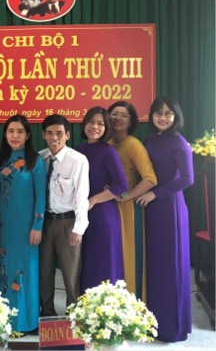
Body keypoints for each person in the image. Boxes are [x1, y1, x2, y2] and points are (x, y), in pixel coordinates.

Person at [136, 97, 193, 342]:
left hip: (170, 208)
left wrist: (155, 194)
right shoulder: (150, 140)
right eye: (158, 113)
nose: (163, 117)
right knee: (155, 265)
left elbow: (187, 179)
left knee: (171, 265)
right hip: (151, 208)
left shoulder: (179, 142)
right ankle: (153, 321)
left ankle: (172, 327)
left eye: (168, 113)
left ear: (176, 116)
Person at [0, 115, 46, 333]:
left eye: (20, 132)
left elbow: (41, 196)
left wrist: (37, 226)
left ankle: (26, 321)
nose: (15, 136)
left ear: (27, 136)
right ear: (5, 135)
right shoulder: (1, 158)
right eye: (11, 131)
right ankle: (5, 319)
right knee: (6, 268)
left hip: (27, 227)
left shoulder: (36, 161)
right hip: (6, 226)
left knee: (26, 271)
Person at [39, 114, 89, 316]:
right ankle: (47, 313)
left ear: (67, 135)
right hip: (44, 222)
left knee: (71, 273)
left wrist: (79, 228)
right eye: (50, 133)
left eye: (59, 133)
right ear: (43, 135)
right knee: (45, 271)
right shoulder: (39, 159)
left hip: (68, 222)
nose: (54, 138)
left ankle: (73, 316)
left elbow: (82, 196)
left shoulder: (78, 160)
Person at [108, 101, 157, 298]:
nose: (117, 118)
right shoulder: (108, 144)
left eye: (123, 115)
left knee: (129, 258)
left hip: (129, 210)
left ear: (131, 121)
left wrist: (127, 195)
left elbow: (150, 179)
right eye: (114, 114)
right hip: (109, 209)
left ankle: (132, 305)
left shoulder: (134, 145)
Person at [76, 107, 127, 293]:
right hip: (81, 214)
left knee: (103, 263)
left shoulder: (108, 151)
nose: (95, 127)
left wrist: (93, 200)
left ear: (106, 128)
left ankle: (105, 305)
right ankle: (85, 305)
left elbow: (121, 185)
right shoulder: (79, 149)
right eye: (91, 122)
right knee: (86, 263)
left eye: (100, 124)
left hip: (103, 215)